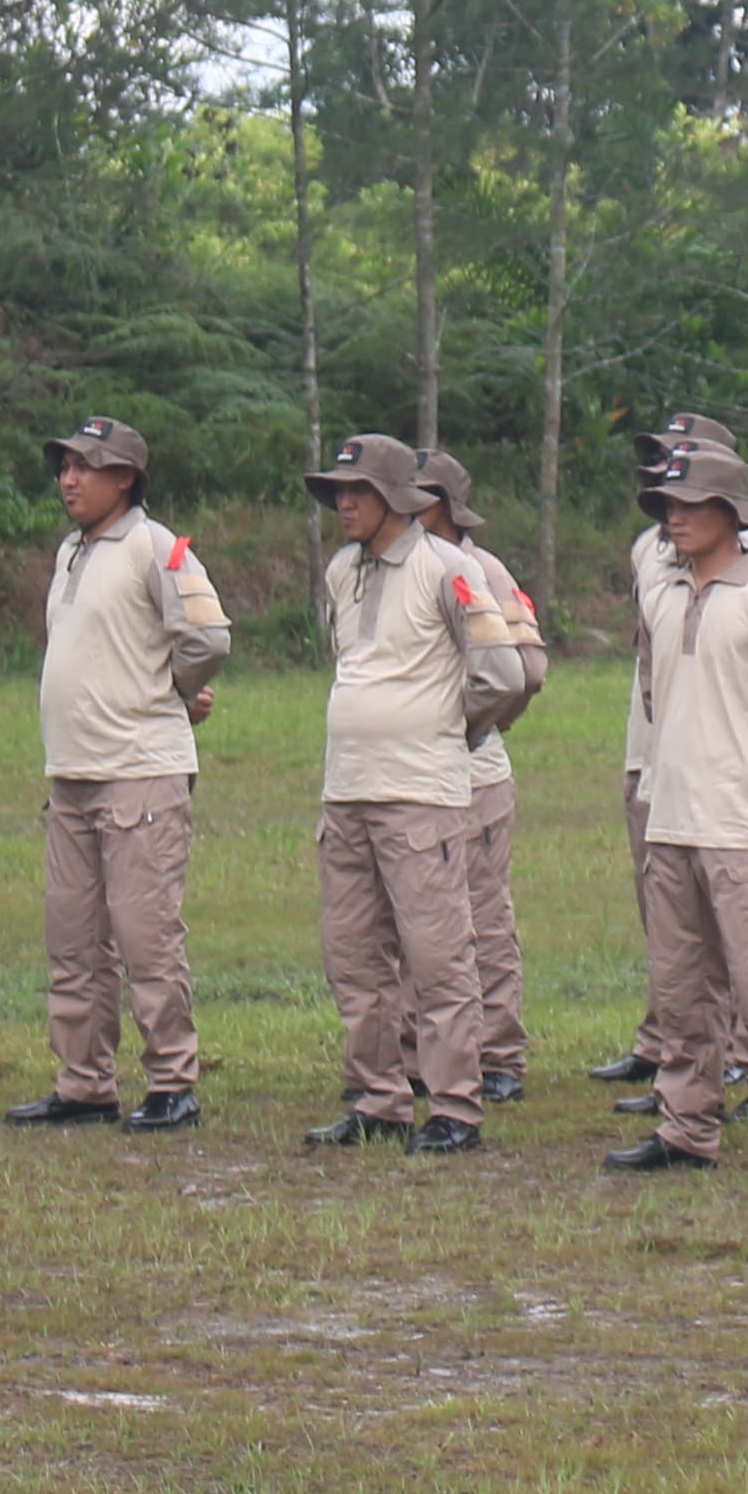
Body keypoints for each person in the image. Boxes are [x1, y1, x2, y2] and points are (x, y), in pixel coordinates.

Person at [604, 441, 748, 1179]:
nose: (673, 518)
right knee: (681, 989)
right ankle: (685, 1128)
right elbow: (652, 685)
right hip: (670, 816)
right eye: (666, 505)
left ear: (728, 513)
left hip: (744, 826)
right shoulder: (660, 591)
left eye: (688, 504)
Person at [301, 433, 528, 1155]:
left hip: (421, 795)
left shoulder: (450, 567)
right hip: (348, 792)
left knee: (438, 954)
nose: (344, 503)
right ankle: (378, 1097)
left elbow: (502, 672)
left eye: (358, 491)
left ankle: (456, 1104)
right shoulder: (342, 571)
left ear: (396, 498)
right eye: (338, 490)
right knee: (354, 955)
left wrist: (443, 733)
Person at [17, 416, 226, 1134]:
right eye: (64, 464)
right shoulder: (70, 551)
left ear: (126, 477)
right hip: (73, 772)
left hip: (140, 771)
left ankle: (173, 1080)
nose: (69, 479)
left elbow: (206, 634)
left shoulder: (155, 546)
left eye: (86, 466)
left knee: (145, 937)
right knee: (73, 938)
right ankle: (84, 1083)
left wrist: (169, 688)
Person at [600, 414, 748, 1098]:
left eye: (681, 460)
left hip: (727, 778)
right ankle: (671, 1053)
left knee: (740, 931)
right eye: (658, 461)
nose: (664, 472)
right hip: (655, 757)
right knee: (669, 926)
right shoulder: (651, 549)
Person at [414, 451, 550, 1105]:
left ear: (444, 503)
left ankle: (498, 1055)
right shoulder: (396, 567)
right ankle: (423, 1052)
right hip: (409, 775)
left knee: (482, 918)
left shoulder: (481, 569)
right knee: (417, 918)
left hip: (472, 773)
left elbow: (526, 668)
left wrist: (472, 727)